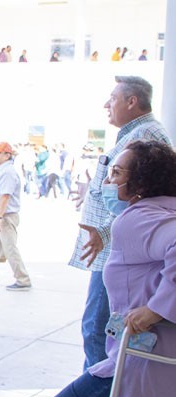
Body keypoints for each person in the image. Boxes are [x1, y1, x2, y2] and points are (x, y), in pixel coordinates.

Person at [41, 140, 176, 397]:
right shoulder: (161, 209)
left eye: (116, 173)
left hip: (144, 362)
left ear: (141, 181)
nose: (108, 182)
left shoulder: (136, 219)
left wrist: (155, 309)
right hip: (156, 360)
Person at [69, 76, 171, 370]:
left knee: (100, 331)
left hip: (119, 250)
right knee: (98, 329)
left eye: (113, 98)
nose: (106, 105)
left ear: (131, 101)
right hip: (112, 248)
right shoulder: (135, 133)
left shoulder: (148, 135)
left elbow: (149, 195)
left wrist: (105, 231)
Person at [0, 142, 32, 291]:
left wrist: (0, 217)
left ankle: (23, 279)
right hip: (1, 215)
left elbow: (5, 196)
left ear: (7, 155)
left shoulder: (8, 172)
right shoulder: (3, 171)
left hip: (6, 216)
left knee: (10, 248)